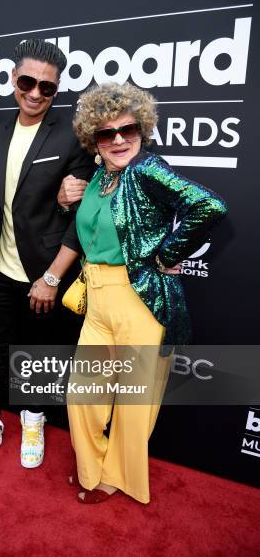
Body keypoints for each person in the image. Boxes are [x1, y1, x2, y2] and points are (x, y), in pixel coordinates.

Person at [58, 82, 227, 504]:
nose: (118, 140)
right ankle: (90, 464)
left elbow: (209, 206)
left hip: (140, 300)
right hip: (97, 300)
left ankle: (115, 477)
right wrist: (66, 201)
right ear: (92, 139)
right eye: (106, 133)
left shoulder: (148, 169)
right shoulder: (99, 176)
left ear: (142, 129)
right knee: (85, 394)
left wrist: (168, 252)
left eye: (128, 130)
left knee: (134, 403)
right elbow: (93, 230)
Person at [0, 39, 93, 471]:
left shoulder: (71, 136)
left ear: (57, 89)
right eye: (27, 82)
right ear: (13, 79)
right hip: (1, 268)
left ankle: (34, 420)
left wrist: (51, 278)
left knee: (40, 352)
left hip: (45, 272)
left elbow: (81, 219)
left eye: (46, 87)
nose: (34, 93)